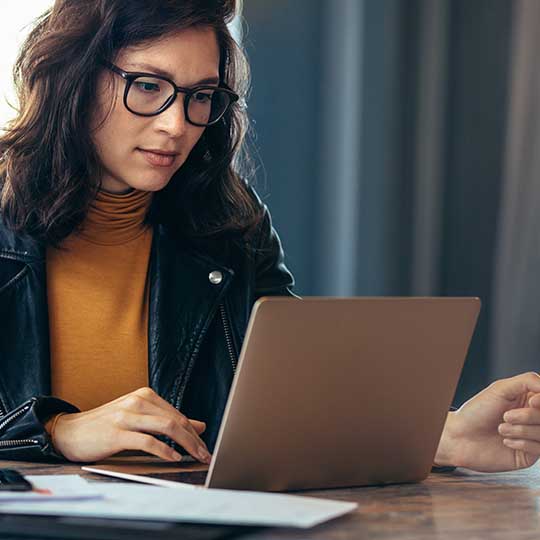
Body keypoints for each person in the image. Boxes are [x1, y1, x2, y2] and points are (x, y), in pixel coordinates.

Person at [0, 0, 539, 474]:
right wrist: (54, 432)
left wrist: (444, 435)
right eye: (148, 86)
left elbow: (291, 403)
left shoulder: (228, 224)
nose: (177, 124)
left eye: (201, 95)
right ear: (75, 76)